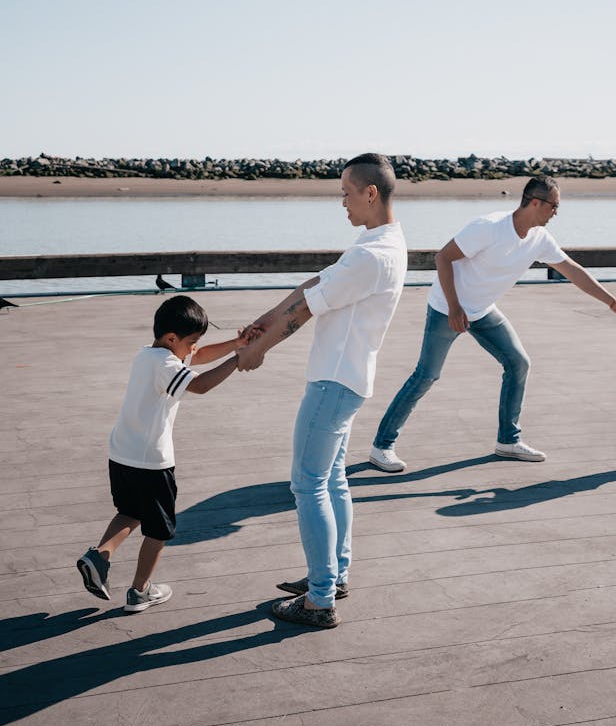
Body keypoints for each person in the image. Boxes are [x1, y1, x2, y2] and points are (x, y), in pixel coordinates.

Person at [237, 153, 407, 630]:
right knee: (332, 479)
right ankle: (335, 575)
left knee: (307, 482)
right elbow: (316, 286)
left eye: (345, 193)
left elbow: (306, 312)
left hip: (334, 383)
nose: (342, 203)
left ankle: (319, 600)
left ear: (370, 193)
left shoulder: (372, 256)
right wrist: (266, 319)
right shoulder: (380, 242)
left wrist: (258, 350)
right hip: (349, 379)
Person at [369, 175, 616, 473]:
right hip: (447, 307)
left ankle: (508, 440)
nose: (556, 213)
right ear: (535, 202)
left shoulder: (539, 239)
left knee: (518, 362)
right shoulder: (489, 227)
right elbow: (443, 258)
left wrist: (613, 302)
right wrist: (455, 307)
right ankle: (382, 446)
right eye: (554, 206)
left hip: (481, 310)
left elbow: (572, 271)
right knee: (426, 375)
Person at [76, 295, 250, 612]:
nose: (194, 348)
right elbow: (201, 385)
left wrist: (236, 343)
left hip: (122, 453)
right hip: (151, 463)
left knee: (131, 511)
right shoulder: (167, 365)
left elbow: (195, 356)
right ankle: (140, 591)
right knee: (159, 530)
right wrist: (238, 360)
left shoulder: (149, 355)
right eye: (192, 341)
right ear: (172, 339)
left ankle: (98, 557)